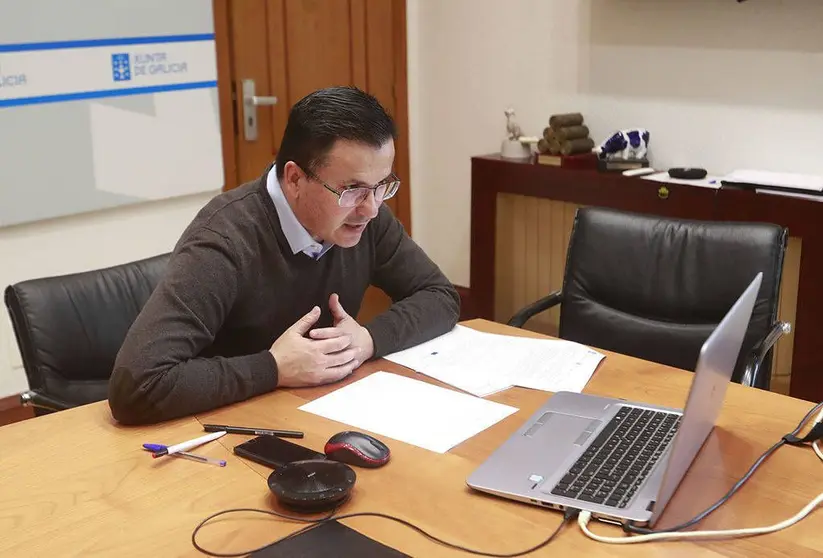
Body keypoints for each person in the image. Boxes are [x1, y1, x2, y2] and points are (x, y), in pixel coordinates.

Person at [108, 86, 460, 425]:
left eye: (383, 186)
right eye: (352, 190)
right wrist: (273, 367)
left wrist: (368, 340)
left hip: (323, 410)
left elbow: (439, 295)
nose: (370, 209)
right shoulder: (224, 240)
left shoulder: (367, 216)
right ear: (294, 179)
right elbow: (136, 385)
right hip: (226, 430)